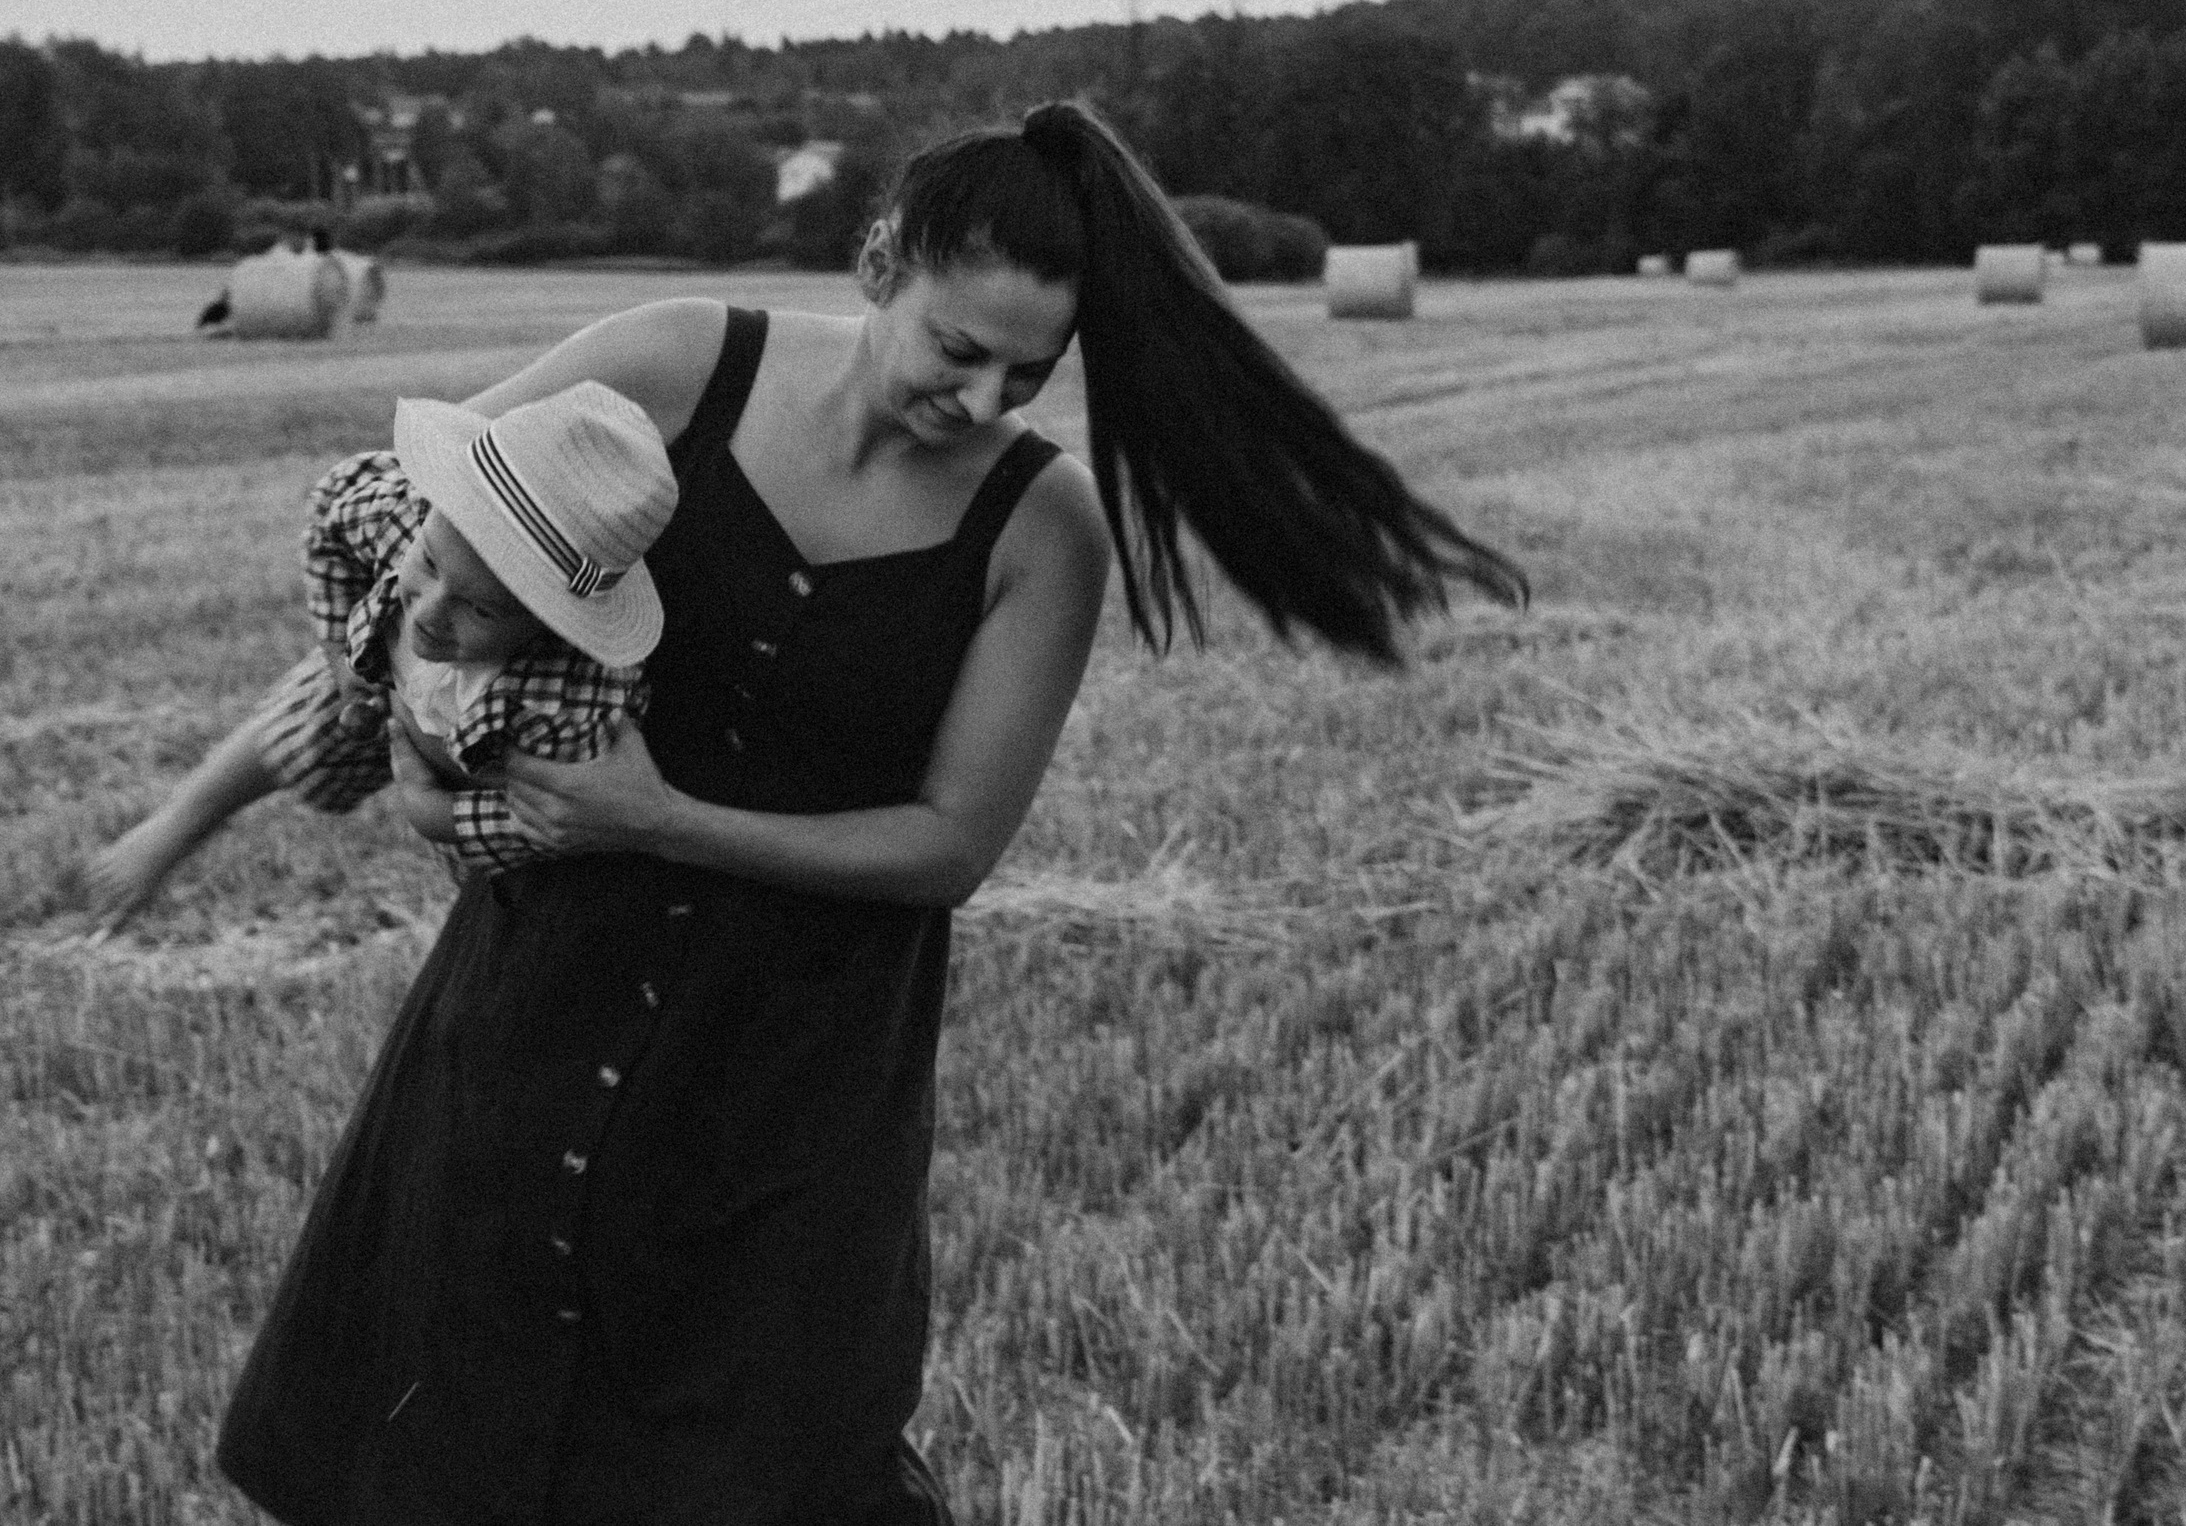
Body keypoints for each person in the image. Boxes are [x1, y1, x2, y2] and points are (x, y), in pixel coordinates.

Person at [210, 99, 1526, 1524]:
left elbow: (950, 844)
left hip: (790, 1107)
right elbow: (425, 541)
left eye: (1028, 376)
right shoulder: (672, 362)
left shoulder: (1041, 529)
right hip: (524, 1044)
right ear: (880, 261)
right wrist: (413, 748)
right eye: (959, 351)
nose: (980, 402)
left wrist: (657, 818)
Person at [83, 381, 679, 928]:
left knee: (502, 912)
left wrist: (431, 814)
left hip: (478, 765)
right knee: (316, 711)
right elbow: (329, 526)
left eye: (482, 610)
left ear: (554, 628)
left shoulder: (566, 709)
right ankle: (172, 828)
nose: (431, 613)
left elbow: (556, 819)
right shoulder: (401, 514)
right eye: (430, 564)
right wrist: (342, 660)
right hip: (382, 679)